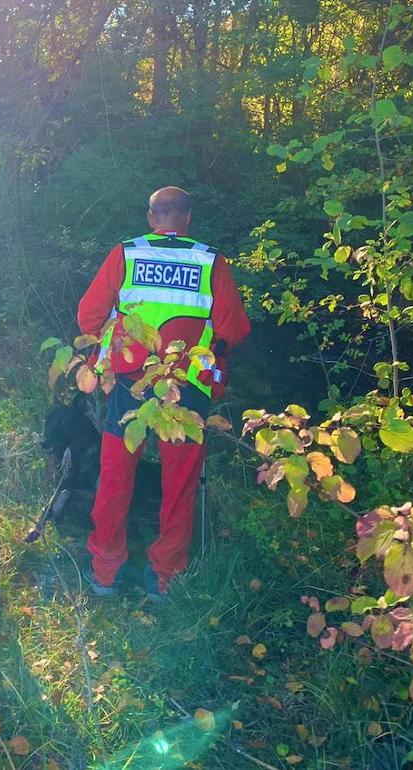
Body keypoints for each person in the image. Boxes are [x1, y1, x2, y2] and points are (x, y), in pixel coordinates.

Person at [77, 186, 250, 600]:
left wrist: (104, 358)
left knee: (115, 477)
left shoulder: (127, 253)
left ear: (152, 218)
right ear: (187, 219)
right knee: (180, 483)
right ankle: (166, 579)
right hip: (186, 389)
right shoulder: (210, 261)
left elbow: (89, 314)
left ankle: (105, 571)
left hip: (129, 385)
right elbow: (234, 328)